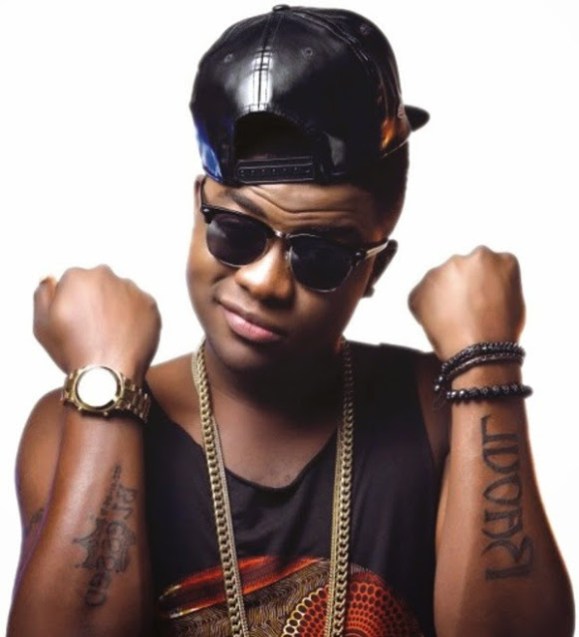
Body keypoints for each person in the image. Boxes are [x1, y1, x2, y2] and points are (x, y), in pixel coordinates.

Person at [7, 5, 574, 636]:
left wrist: (486, 365)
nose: (265, 282)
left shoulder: (442, 412)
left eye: (320, 254)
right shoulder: (78, 421)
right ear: (198, 208)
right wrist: (106, 383)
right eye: (236, 231)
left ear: (374, 270)